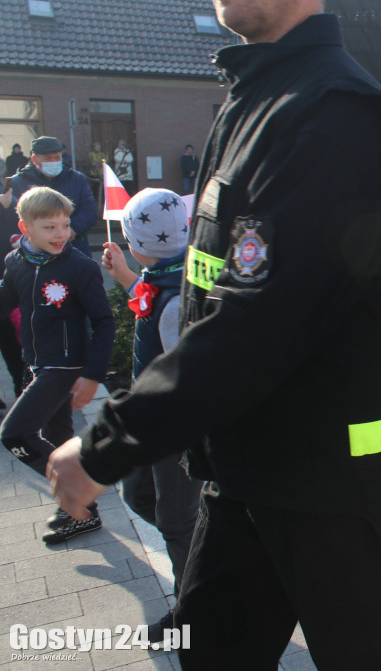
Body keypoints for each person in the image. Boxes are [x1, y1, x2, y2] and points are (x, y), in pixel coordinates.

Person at [46, 0, 381, 668]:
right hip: (247, 472)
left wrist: (110, 443)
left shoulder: (334, 112)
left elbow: (262, 316)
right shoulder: (253, 95)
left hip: (340, 496)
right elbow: (219, 288)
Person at [100, 188, 204, 643]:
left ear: (137, 242)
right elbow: (146, 303)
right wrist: (126, 277)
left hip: (172, 432)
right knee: (140, 496)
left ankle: (192, 614)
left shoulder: (174, 295)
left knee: (178, 520)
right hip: (153, 426)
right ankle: (207, 540)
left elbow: (183, 373)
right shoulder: (161, 276)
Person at [0, 186, 114, 543]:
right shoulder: (16, 261)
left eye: (65, 224)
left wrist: (93, 375)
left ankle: (81, 490)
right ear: (25, 227)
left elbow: (104, 321)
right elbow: (6, 299)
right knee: (58, 438)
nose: (61, 233)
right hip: (36, 361)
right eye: (49, 227)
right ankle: (82, 514)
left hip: (64, 367)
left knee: (15, 434)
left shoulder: (79, 267)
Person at [9, 136, 98, 257]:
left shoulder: (77, 179)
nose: (53, 162)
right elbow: (13, 216)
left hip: (75, 249)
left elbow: (90, 210)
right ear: (34, 159)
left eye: (57, 157)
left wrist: (71, 228)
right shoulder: (18, 182)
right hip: (35, 253)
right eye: (48, 158)